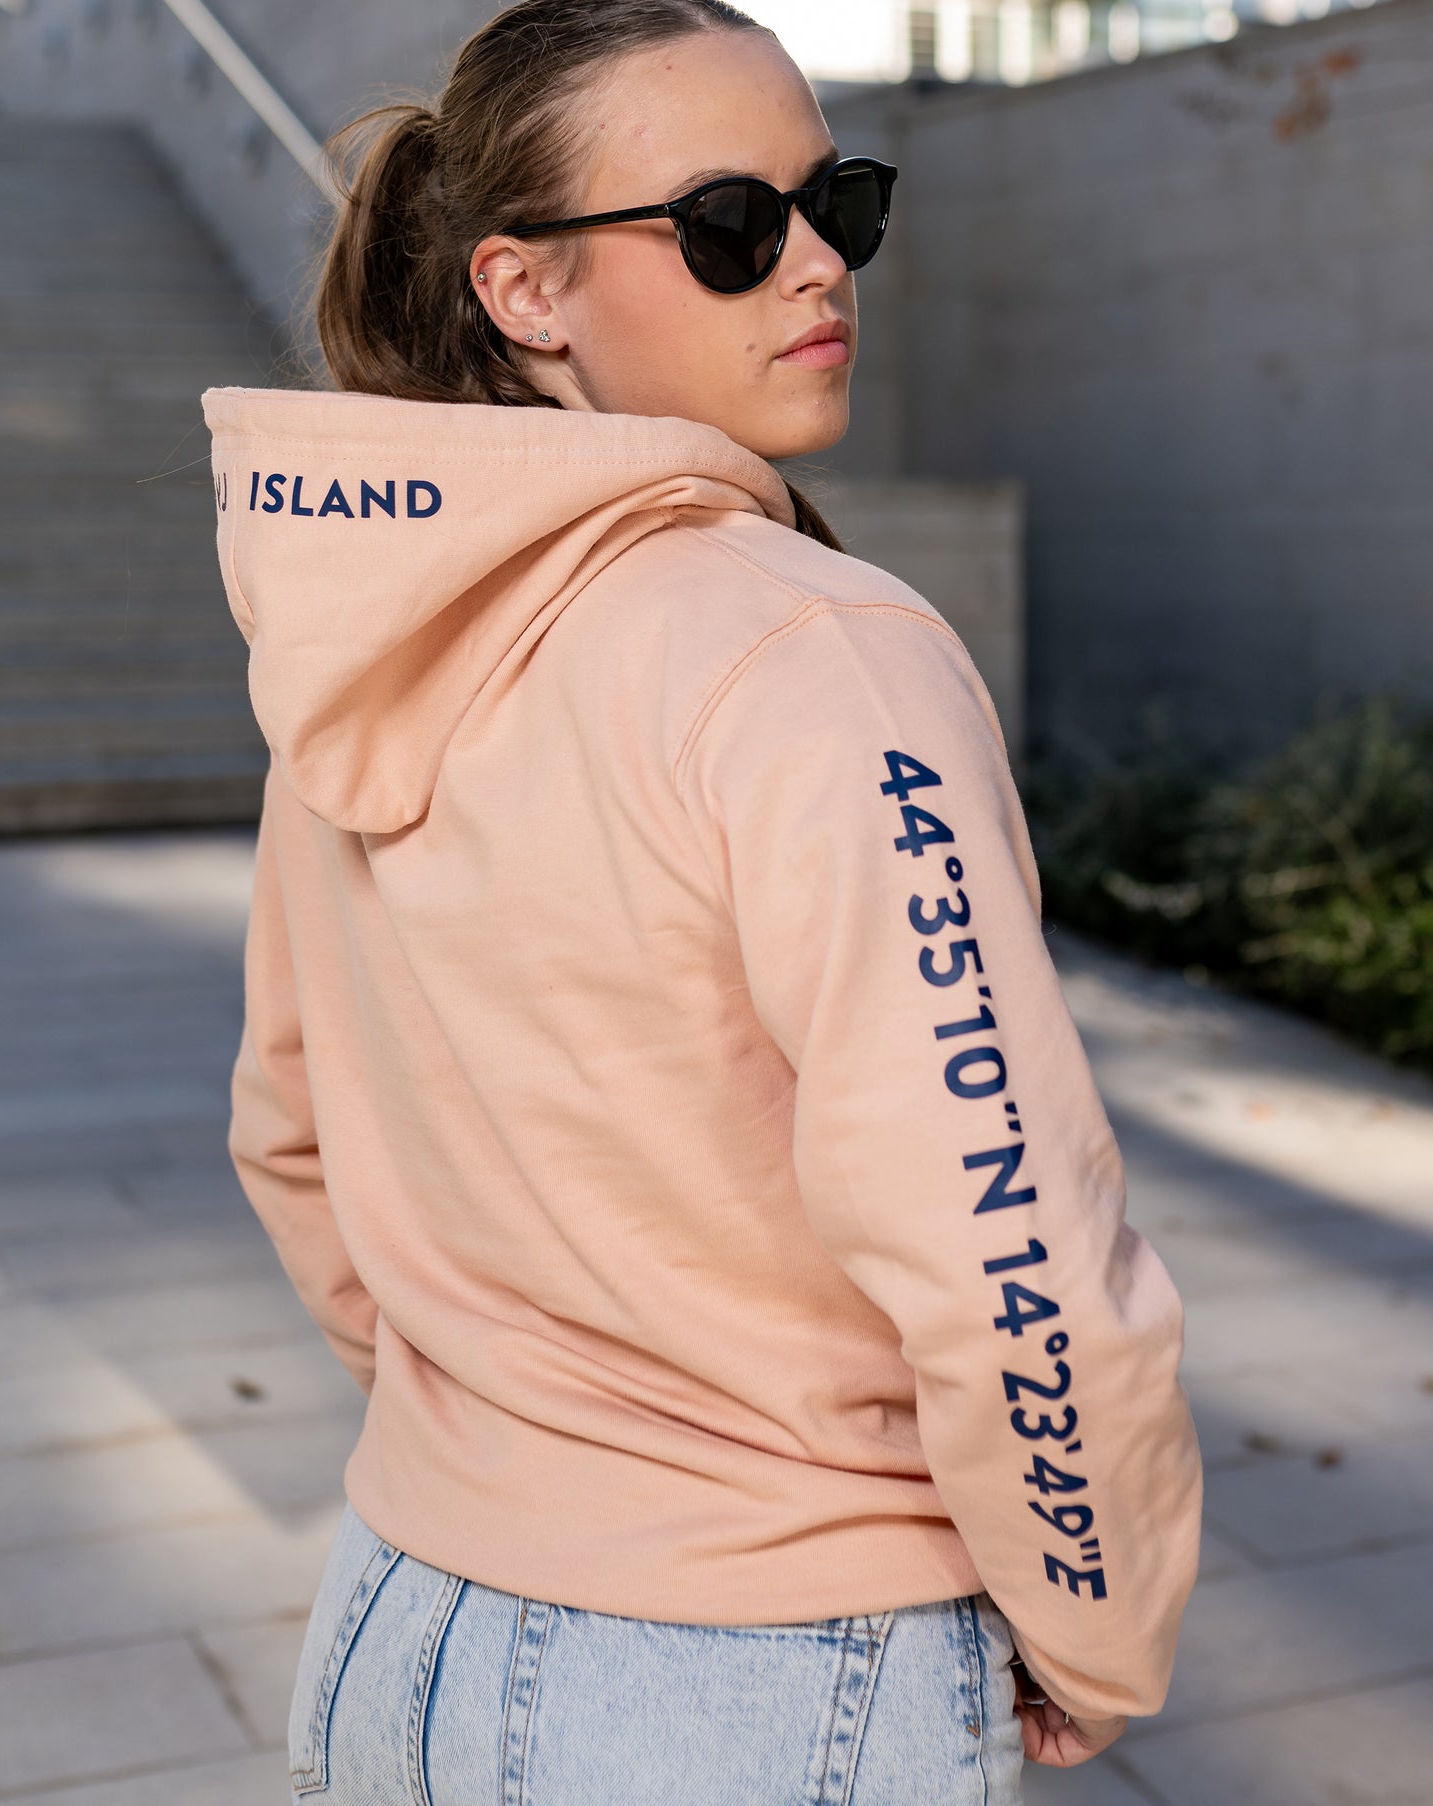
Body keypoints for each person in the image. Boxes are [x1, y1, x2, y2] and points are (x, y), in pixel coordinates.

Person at [203, 3, 1202, 1800]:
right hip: (752, 1682)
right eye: (732, 223)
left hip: (392, 1644)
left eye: (843, 203)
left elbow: (289, 1132)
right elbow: (1005, 1243)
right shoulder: (816, 652)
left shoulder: (365, 638)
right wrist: (1098, 1616)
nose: (814, 260)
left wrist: (509, 1440)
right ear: (526, 290)